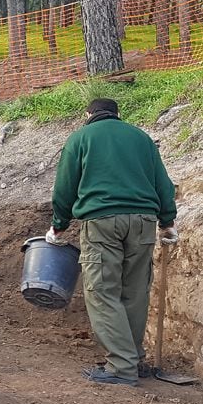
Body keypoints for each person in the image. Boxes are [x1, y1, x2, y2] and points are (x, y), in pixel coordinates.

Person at [47, 98, 178, 386]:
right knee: (135, 291)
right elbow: (163, 184)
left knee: (103, 291)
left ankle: (121, 367)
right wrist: (167, 222)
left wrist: (58, 226)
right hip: (143, 221)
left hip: (102, 222)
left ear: (88, 115)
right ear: (118, 114)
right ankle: (133, 356)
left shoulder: (80, 138)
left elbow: (64, 188)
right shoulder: (141, 138)